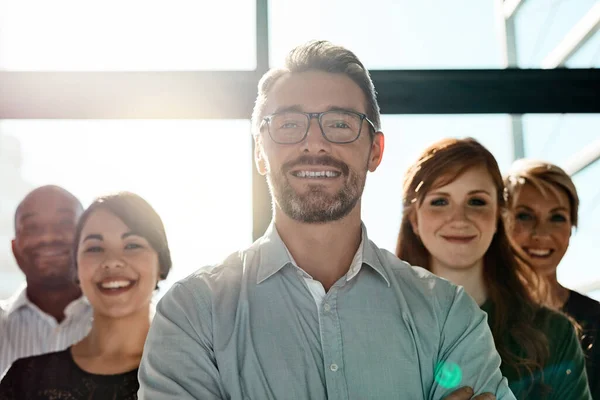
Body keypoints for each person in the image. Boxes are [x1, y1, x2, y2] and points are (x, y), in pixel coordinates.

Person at [138, 41, 514, 400]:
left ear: (375, 150)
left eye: (339, 123)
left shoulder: (447, 313)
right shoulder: (192, 313)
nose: (314, 143)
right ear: (260, 152)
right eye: (288, 124)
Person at [396, 138, 591, 399]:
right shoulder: (368, 326)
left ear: (499, 216)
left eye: (476, 201)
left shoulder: (554, 333)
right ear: (414, 219)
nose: (459, 218)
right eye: (440, 201)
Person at [0, 192, 172, 399]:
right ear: (77, 268)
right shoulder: (24, 380)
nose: (112, 261)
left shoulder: (195, 370)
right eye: (95, 248)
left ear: (161, 262)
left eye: (132, 245)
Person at [505, 158, 600, 398]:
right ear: (499, 222)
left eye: (557, 217)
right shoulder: (476, 318)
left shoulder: (596, 319)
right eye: (525, 216)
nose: (541, 232)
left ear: (572, 227)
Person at [0, 185, 92, 377]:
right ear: (15, 249)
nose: (49, 237)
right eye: (32, 227)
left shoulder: (127, 325)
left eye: (65, 223)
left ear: (88, 241)